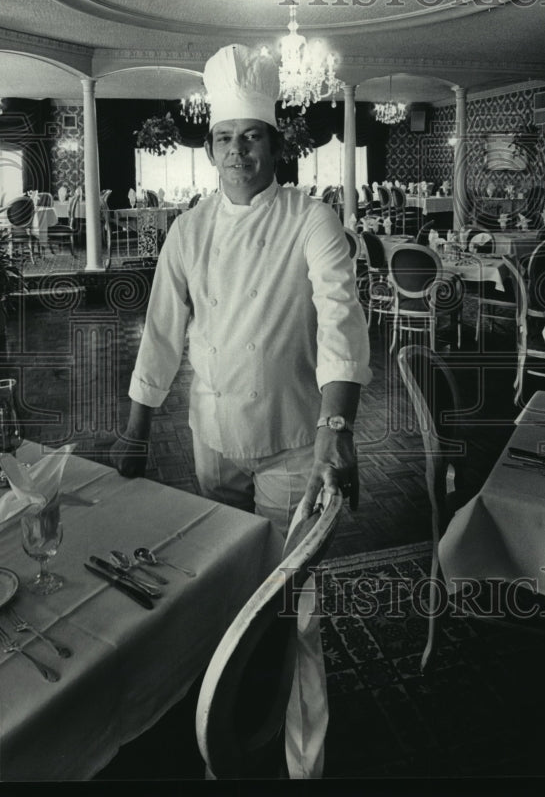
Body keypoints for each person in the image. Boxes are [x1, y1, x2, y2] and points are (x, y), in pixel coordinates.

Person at [110, 43, 372, 777]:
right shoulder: (188, 230)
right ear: (211, 147)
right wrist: (135, 431)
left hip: (295, 446)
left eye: (251, 136)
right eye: (225, 138)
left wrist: (337, 427)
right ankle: (231, 722)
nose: (237, 151)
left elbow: (341, 320)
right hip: (213, 443)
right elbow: (162, 333)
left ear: (274, 143)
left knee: (298, 608)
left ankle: (305, 762)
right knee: (228, 591)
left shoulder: (310, 219)